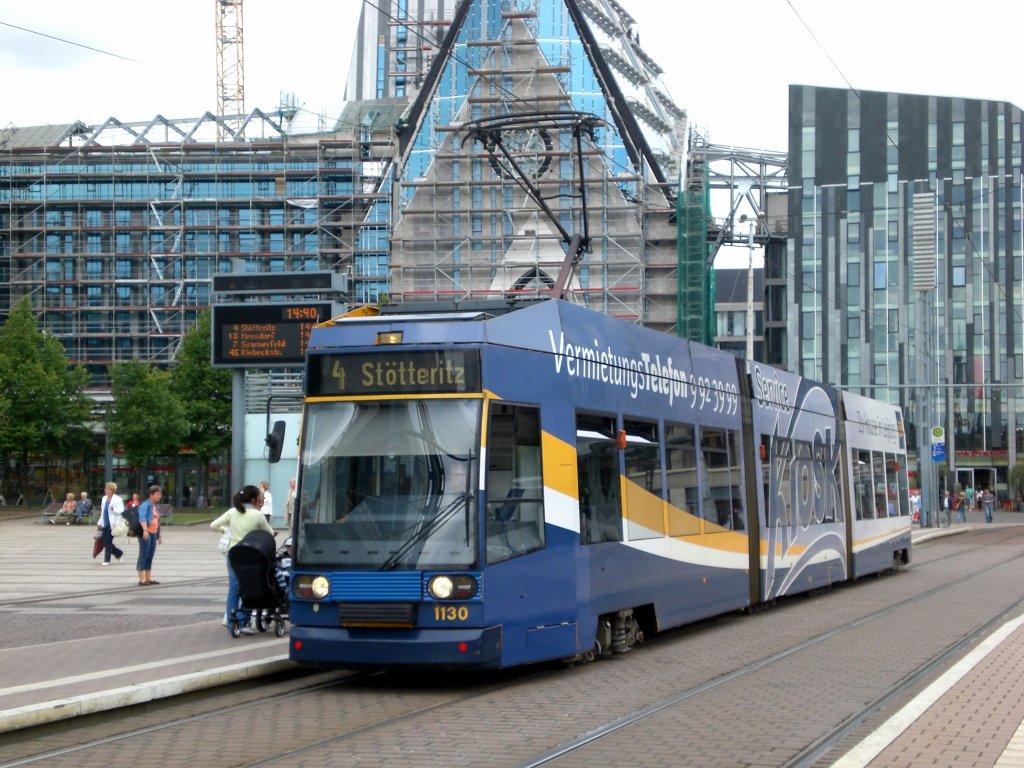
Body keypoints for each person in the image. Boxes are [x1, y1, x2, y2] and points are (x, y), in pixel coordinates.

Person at [210, 484, 275, 634]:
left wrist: (226, 529)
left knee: (233, 588)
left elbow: (213, 525)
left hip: (233, 554)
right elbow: (269, 533)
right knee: (249, 587)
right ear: (253, 499)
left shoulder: (232, 512)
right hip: (251, 555)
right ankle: (243, 619)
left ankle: (232, 623)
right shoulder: (257, 515)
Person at [135, 485, 163, 586]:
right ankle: (141, 578)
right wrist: (145, 530)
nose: (159, 496)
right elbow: (142, 518)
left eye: (160, 494)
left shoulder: (154, 506)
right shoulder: (145, 505)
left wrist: (159, 535)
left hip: (153, 533)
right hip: (146, 533)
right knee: (144, 554)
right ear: (151, 495)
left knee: (150, 556)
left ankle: (148, 577)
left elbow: (157, 521)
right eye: (157, 494)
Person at [97, 482, 125, 566]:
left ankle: (107, 560)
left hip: (113, 523)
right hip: (105, 522)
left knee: (108, 541)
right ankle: (119, 553)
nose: (105, 490)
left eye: (107, 489)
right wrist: (100, 522)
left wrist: (114, 509)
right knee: (103, 540)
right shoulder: (104, 498)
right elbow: (103, 512)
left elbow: (121, 511)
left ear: (111, 490)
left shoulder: (117, 499)